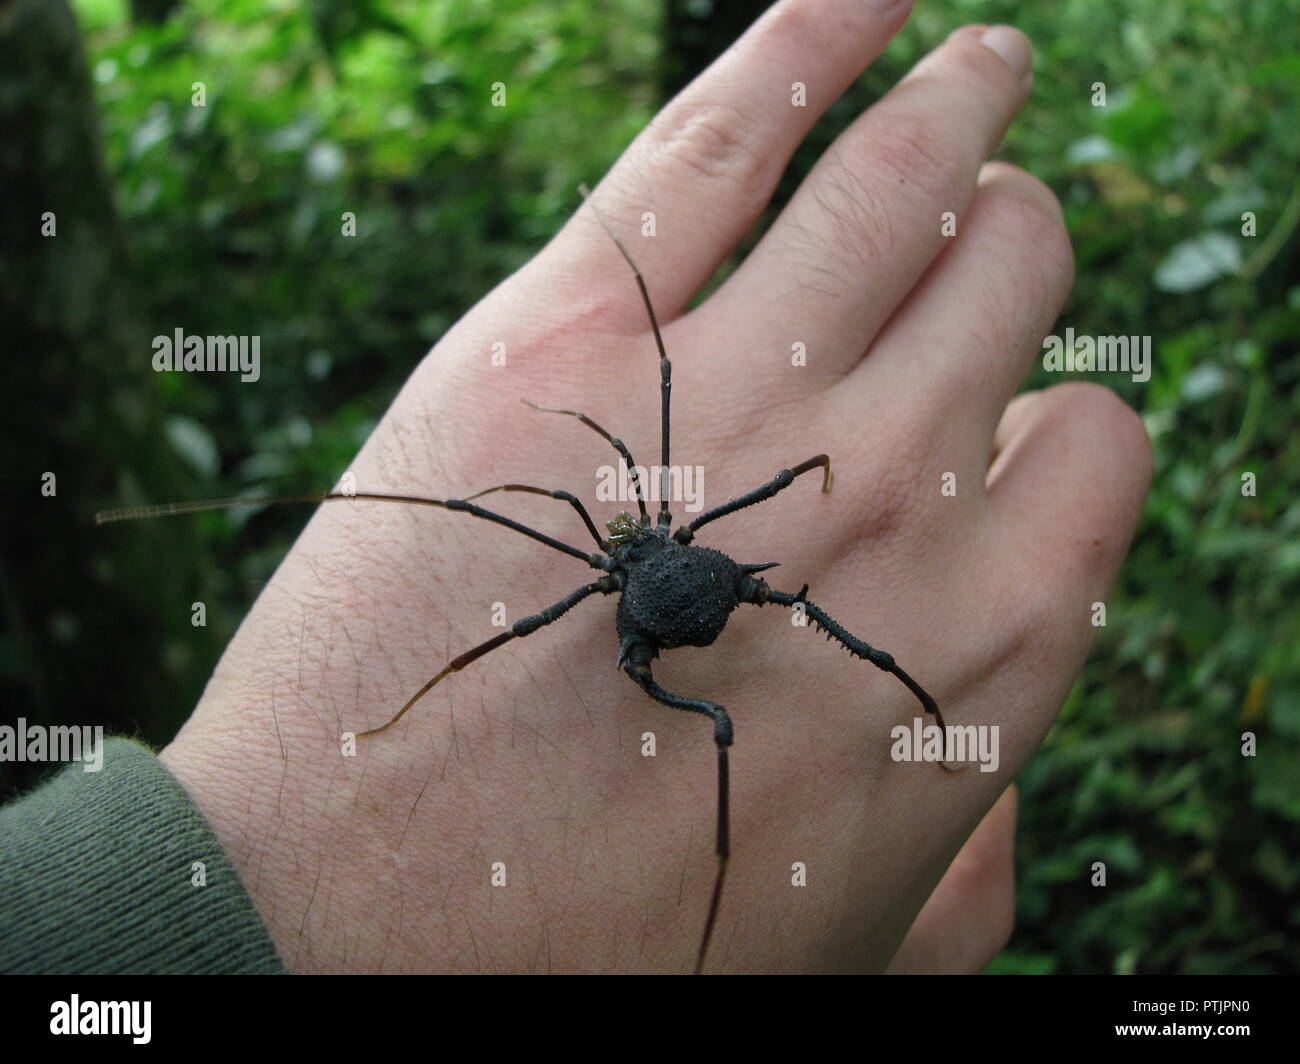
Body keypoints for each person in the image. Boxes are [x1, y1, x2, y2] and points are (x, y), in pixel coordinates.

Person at [2, 0, 1150, 974]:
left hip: (681, 587)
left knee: (715, 598)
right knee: (740, 602)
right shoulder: (649, 536)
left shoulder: (633, 542)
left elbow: (661, 419)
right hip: (681, 583)